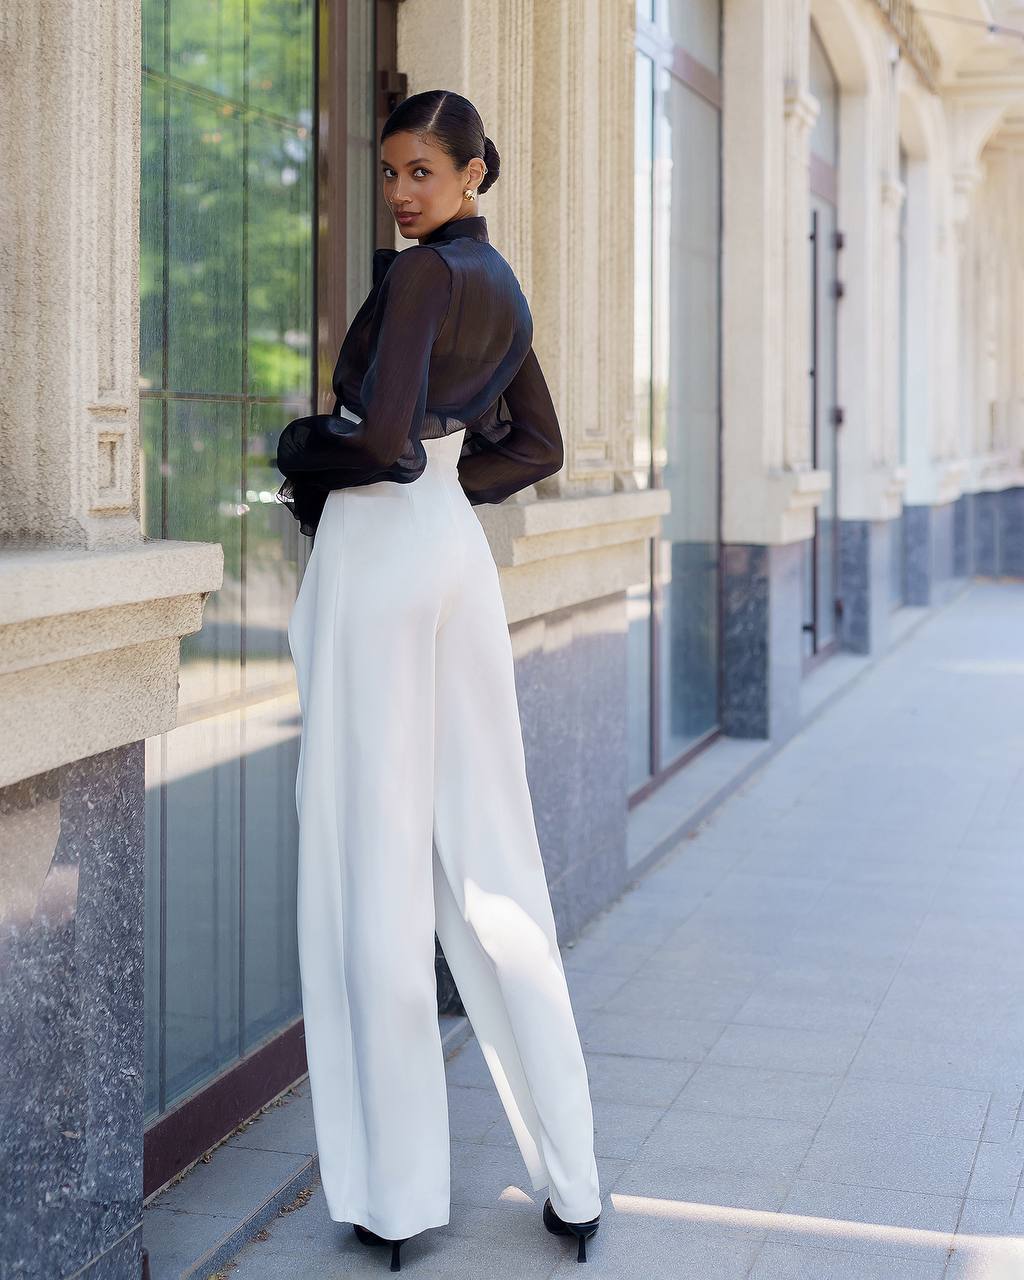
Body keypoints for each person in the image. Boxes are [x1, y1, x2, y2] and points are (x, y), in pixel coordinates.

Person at [276, 90, 602, 1272]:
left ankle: (397, 1196)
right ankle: (572, 1176)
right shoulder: (501, 282)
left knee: (370, 857)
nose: (403, 191)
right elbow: (537, 446)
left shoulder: (418, 277)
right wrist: (438, 500)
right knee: (491, 857)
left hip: (380, 556)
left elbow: (380, 443)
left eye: (423, 171)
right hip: (452, 561)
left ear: (471, 172)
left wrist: (292, 448)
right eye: (391, 172)